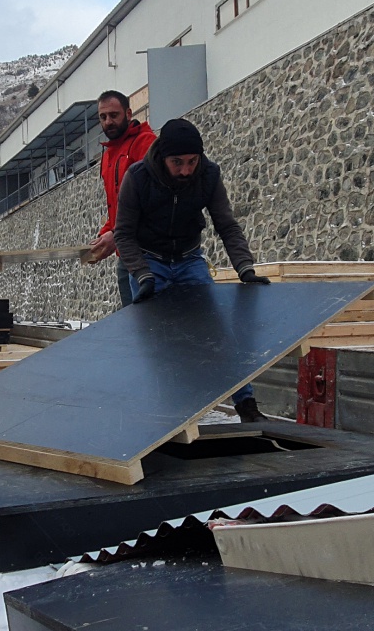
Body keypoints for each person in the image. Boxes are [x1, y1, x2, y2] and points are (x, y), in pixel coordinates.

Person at [114, 118, 270, 423]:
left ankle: (246, 404)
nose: (186, 170)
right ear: (163, 157)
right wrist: (142, 274)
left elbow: (226, 225)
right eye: (178, 162)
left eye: (192, 161)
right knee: (157, 339)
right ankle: (168, 414)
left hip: (189, 259)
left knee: (216, 332)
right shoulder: (138, 177)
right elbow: (123, 234)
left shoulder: (208, 174)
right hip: (150, 261)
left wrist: (245, 268)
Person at [87, 90, 158, 307]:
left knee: (153, 320)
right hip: (126, 255)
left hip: (151, 254)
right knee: (132, 321)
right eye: (103, 117)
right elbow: (117, 207)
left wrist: (115, 235)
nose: (108, 121)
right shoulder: (108, 154)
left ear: (128, 113)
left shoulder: (146, 144)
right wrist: (103, 236)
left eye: (113, 115)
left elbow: (153, 202)